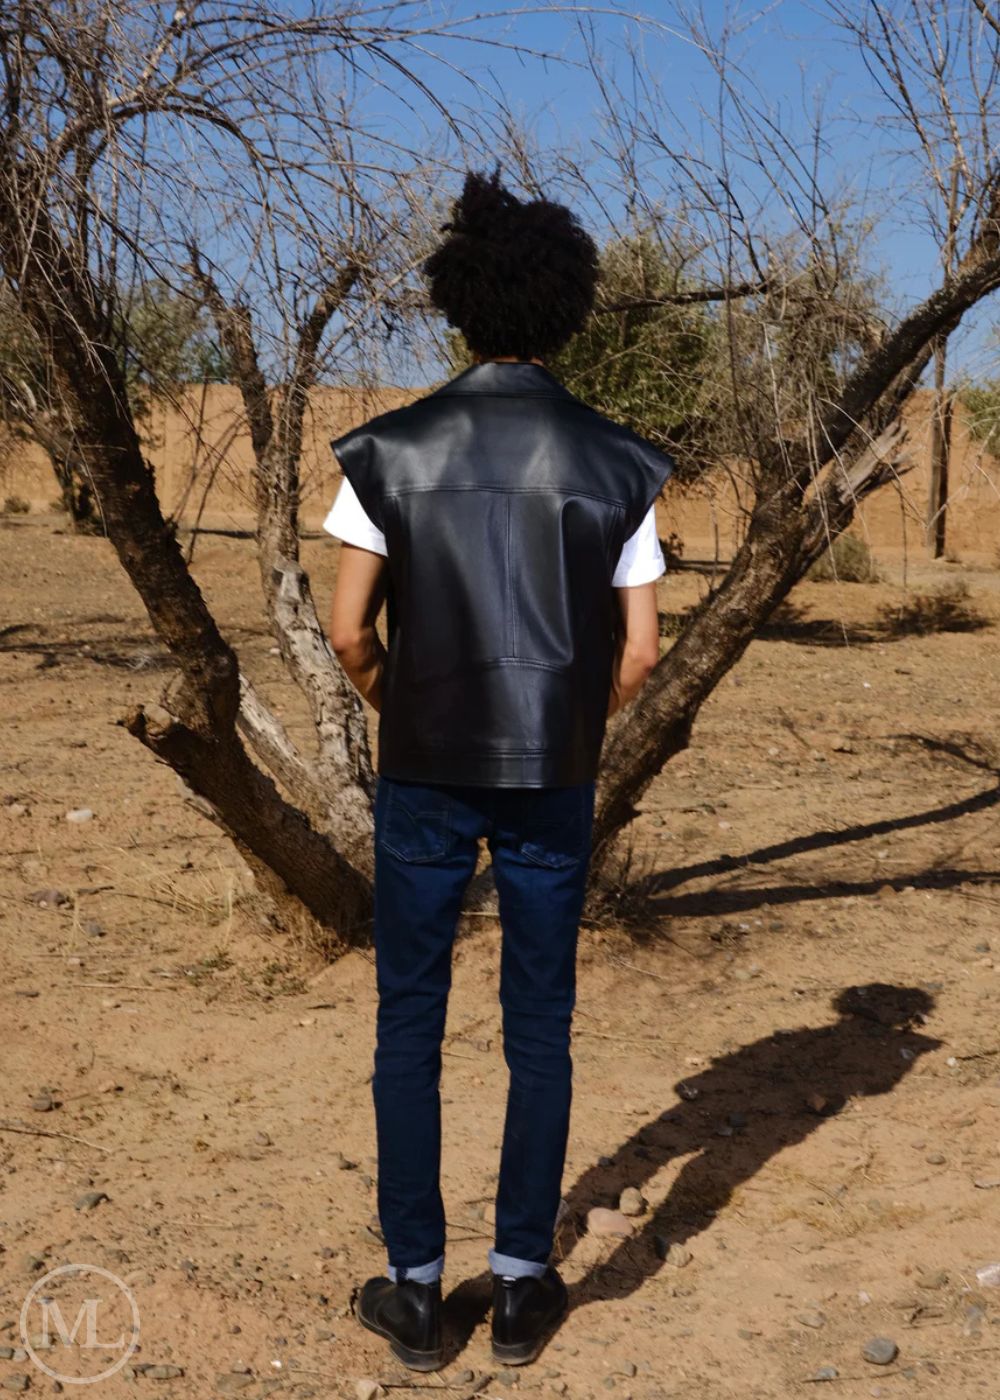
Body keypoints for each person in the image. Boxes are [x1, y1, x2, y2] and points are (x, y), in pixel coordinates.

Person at [324, 165, 675, 1372]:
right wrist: (572, 729)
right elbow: (637, 648)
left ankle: (416, 1290)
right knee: (541, 1025)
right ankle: (523, 1284)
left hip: (422, 771)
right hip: (553, 778)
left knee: (407, 1021)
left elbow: (346, 631)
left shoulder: (390, 447)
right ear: (566, 305)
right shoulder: (620, 459)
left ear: (458, 304)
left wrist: (400, 706)